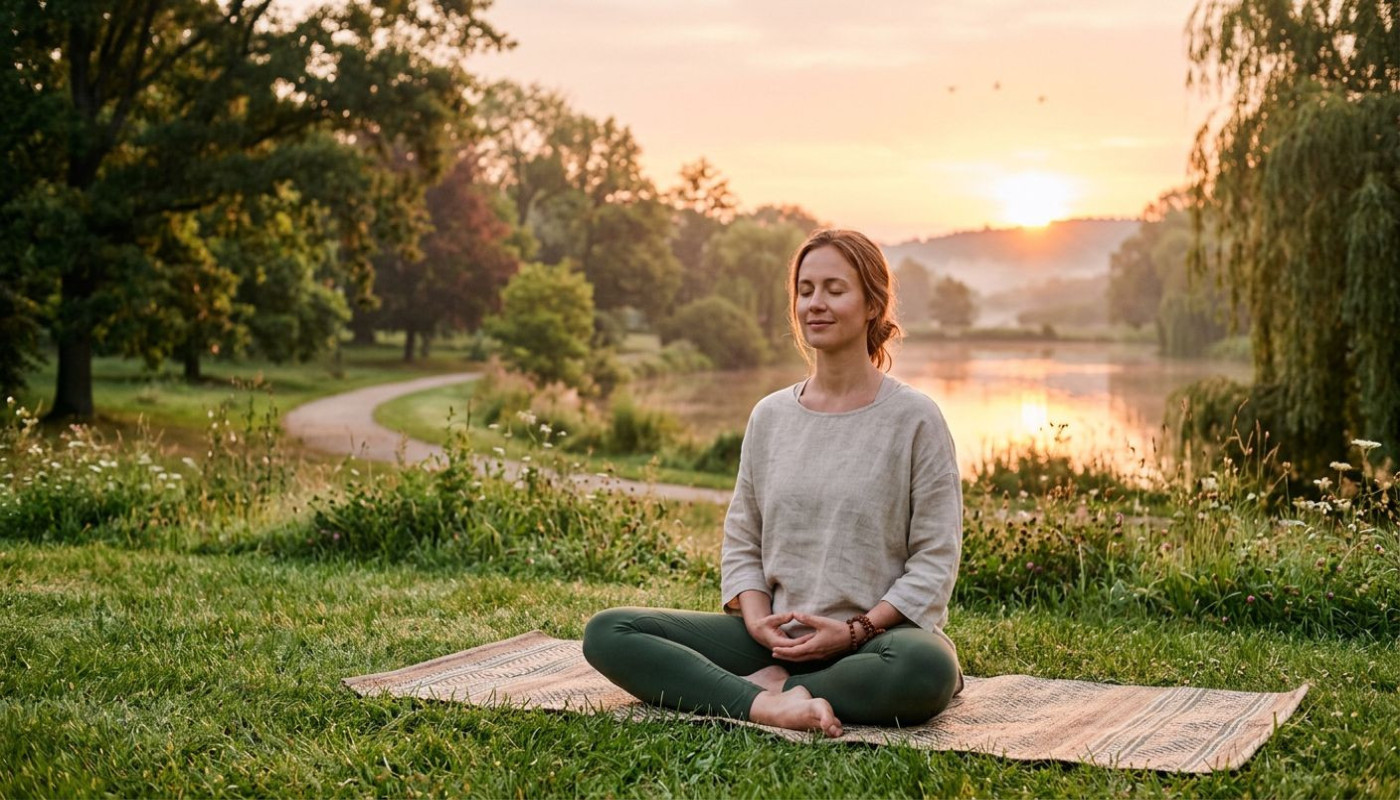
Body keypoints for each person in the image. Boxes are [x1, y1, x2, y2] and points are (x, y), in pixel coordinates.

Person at [583, 228, 963, 738]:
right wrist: (759, 620)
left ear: (873, 304)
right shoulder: (770, 416)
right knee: (609, 631)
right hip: (774, 636)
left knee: (928, 668)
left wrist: (855, 631)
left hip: (875, 641)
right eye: (805, 290)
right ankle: (768, 704)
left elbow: (936, 558)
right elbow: (743, 537)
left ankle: (774, 690)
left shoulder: (916, 419)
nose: (816, 304)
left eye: (835, 288)